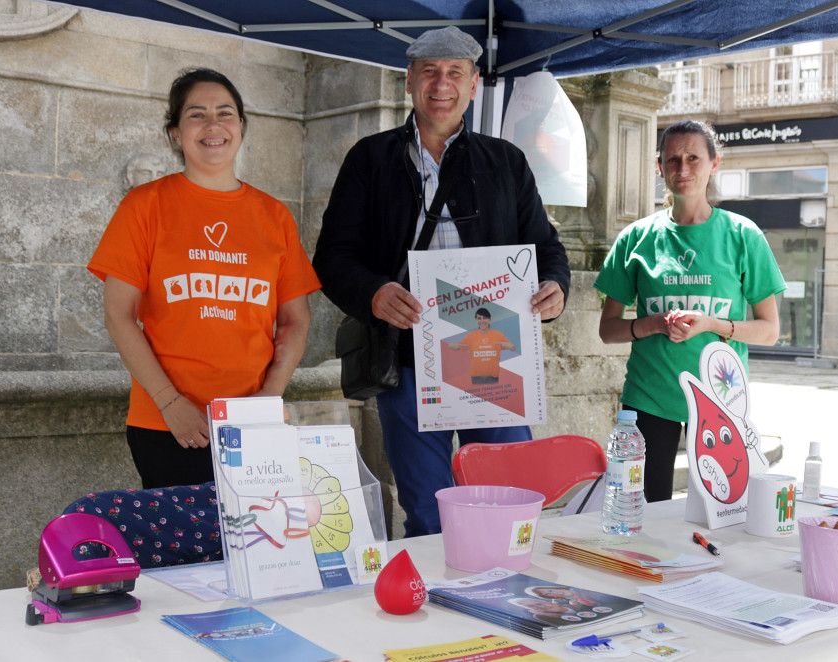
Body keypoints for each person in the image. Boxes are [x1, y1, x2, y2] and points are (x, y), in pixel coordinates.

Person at [313, 27, 570, 537]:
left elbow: (546, 248)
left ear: (474, 85)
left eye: (455, 73)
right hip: (409, 358)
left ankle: (501, 598)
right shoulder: (371, 158)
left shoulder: (506, 162)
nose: (441, 84)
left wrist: (555, 287)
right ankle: (436, 606)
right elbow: (333, 257)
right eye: (429, 72)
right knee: (427, 511)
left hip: (494, 361)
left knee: (508, 500)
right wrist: (373, 292)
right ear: (409, 80)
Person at [88, 68, 320, 489]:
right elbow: (118, 317)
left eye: (225, 113)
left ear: (242, 126)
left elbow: (296, 321)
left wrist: (269, 399)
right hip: (169, 423)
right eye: (197, 115)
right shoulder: (144, 206)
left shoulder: (274, 216)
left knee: (258, 547)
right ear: (175, 133)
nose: (213, 125)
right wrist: (170, 403)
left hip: (252, 424)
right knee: (186, 552)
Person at [594, 119, 785, 503]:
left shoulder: (743, 235)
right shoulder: (636, 237)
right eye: (673, 159)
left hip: (721, 397)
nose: (683, 169)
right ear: (659, 166)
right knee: (643, 513)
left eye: (694, 158)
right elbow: (608, 330)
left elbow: (769, 330)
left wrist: (712, 325)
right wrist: (651, 325)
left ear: (715, 163)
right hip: (649, 399)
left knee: (719, 514)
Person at [450, 308, 515, 384]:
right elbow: (456, 346)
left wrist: (505, 345)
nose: (482, 321)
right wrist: (454, 346)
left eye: (485, 318)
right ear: (476, 320)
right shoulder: (471, 336)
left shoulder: (498, 334)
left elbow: (512, 347)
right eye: (479, 318)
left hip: (493, 376)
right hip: (476, 377)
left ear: (490, 319)